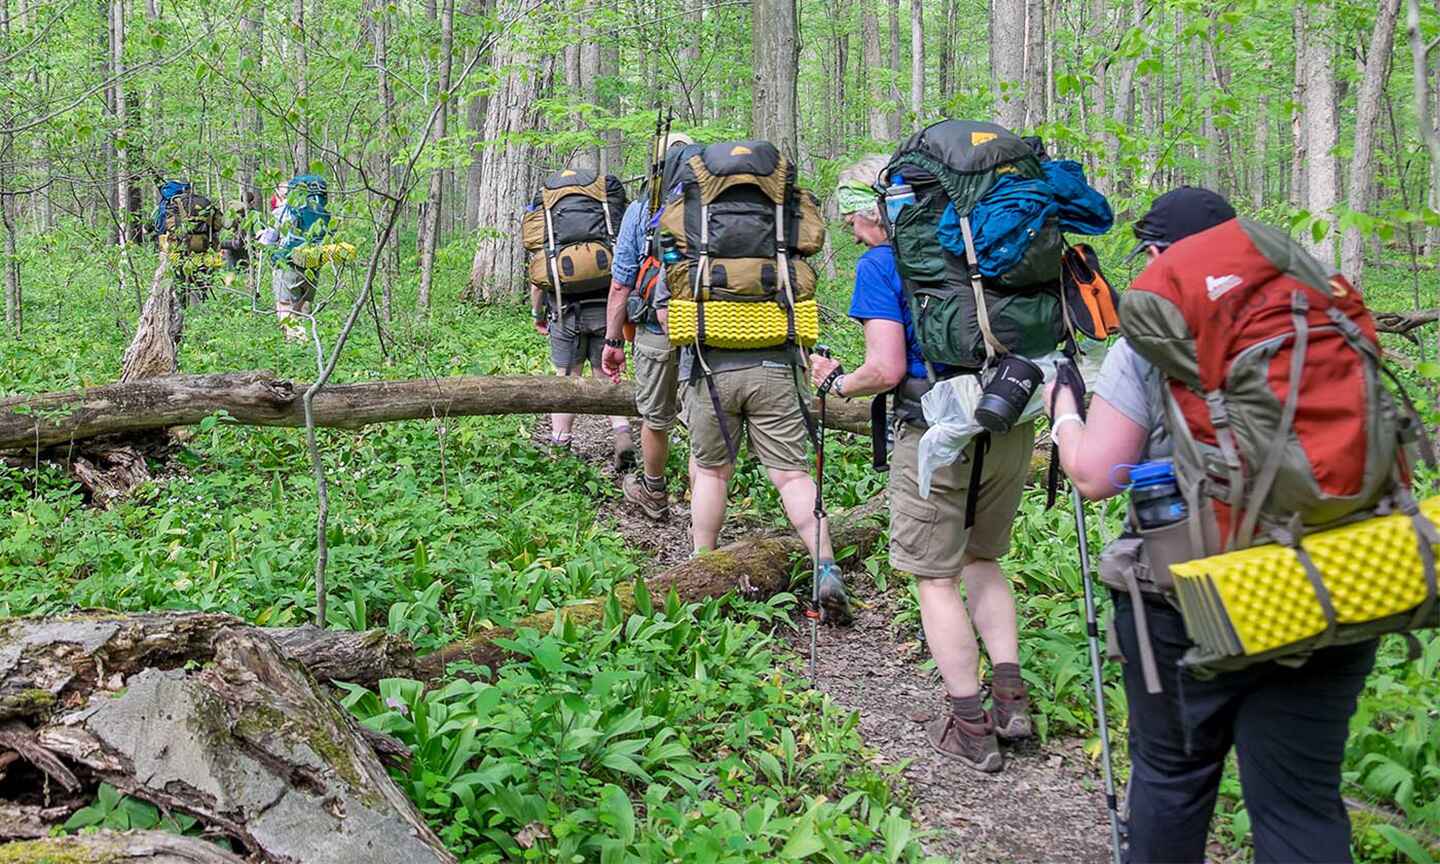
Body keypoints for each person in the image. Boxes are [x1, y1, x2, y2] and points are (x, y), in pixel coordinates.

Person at [1045, 187, 1378, 863]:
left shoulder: (1155, 330)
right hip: (1334, 574)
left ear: (1160, 256)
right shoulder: (1319, 305)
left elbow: (1098, 476)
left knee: (1173, 779)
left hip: (1196, 591)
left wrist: (1065, 415)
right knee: (1301, 803)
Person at [808, 156, 1033, 773]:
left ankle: (968, 723)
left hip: (935, 429)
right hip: (1009, 414)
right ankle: (1011, 700)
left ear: (879, 209)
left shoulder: (884, 263)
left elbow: (884, 369)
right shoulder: (989, 245)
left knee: (935, 577)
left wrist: (837, 383)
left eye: (855, 217)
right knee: (982, 559)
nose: (854, 232)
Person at [601, 132, 695, 519]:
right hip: (701, 328)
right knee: (698, 420)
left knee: (656, 417)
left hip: (655, 332)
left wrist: (612, 341)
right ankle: (698, 496)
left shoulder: (641, 210)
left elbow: (622, 282)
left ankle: (653, 491)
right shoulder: (709, 206)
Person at [531, 265, 635, 467]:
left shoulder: (551, 232)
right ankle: (622, 434)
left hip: (564, 313)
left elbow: (537, 283)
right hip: (606, 310)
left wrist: (537, 314)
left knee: (566, 381)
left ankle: (560, 448)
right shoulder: (606, 231)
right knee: (607, 375)